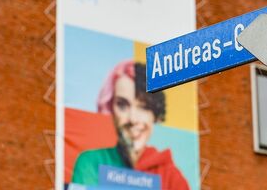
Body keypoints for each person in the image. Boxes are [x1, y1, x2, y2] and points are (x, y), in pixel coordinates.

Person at [71, 60, 189, 189]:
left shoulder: (170, 176)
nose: (133, 119)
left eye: (144, 107)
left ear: (156, 115)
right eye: (122, 105)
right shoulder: (91, 162)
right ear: (111, 108)